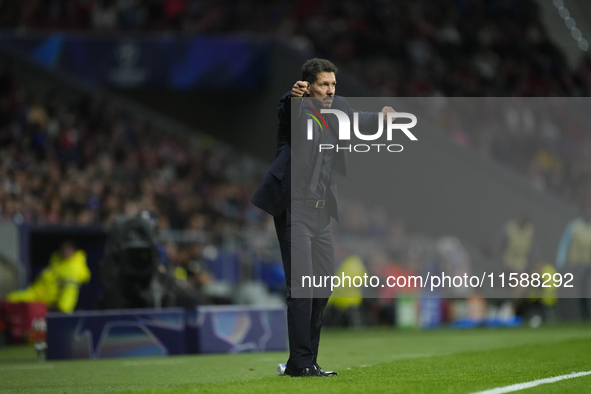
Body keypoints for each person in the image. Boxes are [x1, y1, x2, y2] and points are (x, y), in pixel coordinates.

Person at [251, 58, 394, 377]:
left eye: (333, 85)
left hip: (321, 213)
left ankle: (305, 361)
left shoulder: (337, 106)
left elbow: (359, 119)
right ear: (309, 84)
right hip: (295, 210)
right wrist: (296, 95)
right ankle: (300, 362)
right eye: (324, 84)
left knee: (324, 286)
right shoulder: (296, 105)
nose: (330, 90)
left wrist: (382, 117)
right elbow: (287, 111)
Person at [6, 240, 91, 313]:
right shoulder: (56, 263)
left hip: (48, 305)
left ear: (73, 251)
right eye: (63, 249)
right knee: (9, 300)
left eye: (68, 249)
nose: (65, 252)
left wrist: (62, 310)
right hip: (36, 296)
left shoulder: (73, 268)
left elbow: (70, 292)